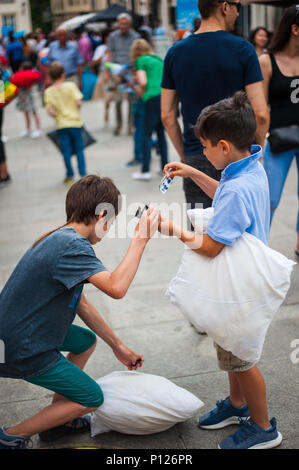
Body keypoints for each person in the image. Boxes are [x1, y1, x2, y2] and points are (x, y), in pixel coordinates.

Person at [0, 174, 160, 449]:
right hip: (22, 347)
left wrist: (118, 346)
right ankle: (11, 435)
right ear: (101, 214)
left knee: (85, 341)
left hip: (19, 331)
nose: (108, 228)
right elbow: (117, 288)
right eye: (110, 221)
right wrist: (140, 240)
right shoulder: (73, 246)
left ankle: (58, 421)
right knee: (91, 398)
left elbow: (81, 303)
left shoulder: (60, 237)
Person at [160, 92, 282, 450]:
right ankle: (237, 405)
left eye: (206, 148)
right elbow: (224, 192)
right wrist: (193, 169)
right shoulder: (250, 167)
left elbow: (211, 246)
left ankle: (262, 427)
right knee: (229, 348)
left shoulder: (237, 186)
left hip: (238, 284)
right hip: (243, 276)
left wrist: (174, 229)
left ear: (224, 146)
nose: (205, 152)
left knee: (242, 359)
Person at [161, 0, 269, 223]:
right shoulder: (243, 49)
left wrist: (186, 155)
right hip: (238, 155)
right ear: (224, 7)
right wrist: (255, 154)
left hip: (196, 152)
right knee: (241, 233)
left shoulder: (175, 53)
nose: (238, 13)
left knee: (201, 233)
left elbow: (167, 115)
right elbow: (261, 114)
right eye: (238, 6)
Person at [259, 5, 299, 256]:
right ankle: (258, 250)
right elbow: (260, 107)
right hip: (278, 139)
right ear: (295, 29)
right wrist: (258, 147)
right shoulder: (267, 61)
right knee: (270, 199)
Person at [130, 39, 168, 181]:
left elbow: (143, 82)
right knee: (160, 133)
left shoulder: (140, 61)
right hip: (164, 97)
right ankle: (164, 167)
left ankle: (145, 170)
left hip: (152, 98)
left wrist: (134, 84)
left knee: (146, 134)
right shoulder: (157, 59)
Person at [44, 62, 87, 186]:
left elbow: (50, 111)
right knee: (79, 149)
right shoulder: (71, 86)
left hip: (61, 125)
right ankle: (83, 174)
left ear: (50, 76)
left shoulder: (49, 92)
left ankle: (69, 175)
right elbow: (79, 103)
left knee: (66, 151)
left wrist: (57, 115)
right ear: (63, 74)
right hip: (75, 123)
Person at [106, 13, 140, 136]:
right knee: (118, 100)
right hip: (117, 71)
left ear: (129, 24)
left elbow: (138, 55)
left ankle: (131, 126)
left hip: (131, 71)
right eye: (121, 23)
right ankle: (119, 124)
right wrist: (108, 71)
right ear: (118, 24)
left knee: (132, 100)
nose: (123, 26)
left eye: (125, 24)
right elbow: (109, 54)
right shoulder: (113, 36)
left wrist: (136, 73)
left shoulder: (136, 36)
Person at [16, 61, 42, 139]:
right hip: (23, 96)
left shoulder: (32, 76)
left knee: (33, 112)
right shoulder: (27, 75)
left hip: (30, 96)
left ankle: (38, 129)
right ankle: (28, 129)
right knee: (26, 112)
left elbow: (33, 83)